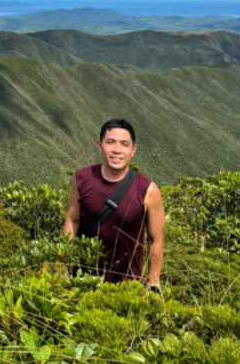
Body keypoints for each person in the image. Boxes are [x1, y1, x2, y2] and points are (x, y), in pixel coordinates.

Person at [63, 119, 165, 291]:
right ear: (100, 145)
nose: (117, 150)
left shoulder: (148, 190)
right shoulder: (82, 178)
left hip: (127, 284)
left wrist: (153, 282)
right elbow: (72, 221)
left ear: (133, 150)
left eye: (124, 144)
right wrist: (64, 265)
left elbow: (156, 240)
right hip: (82, 279)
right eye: (110, 142)